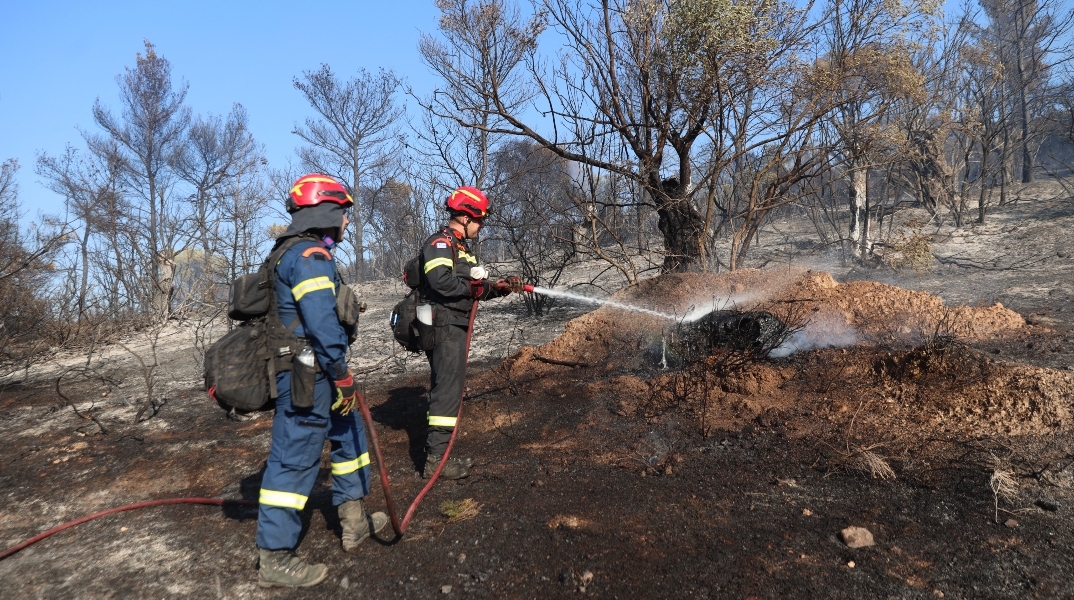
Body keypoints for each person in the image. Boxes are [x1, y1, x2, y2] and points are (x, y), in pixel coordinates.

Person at [254, 174, 387, 588]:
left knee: (349, 439)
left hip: (316, 374)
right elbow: (322, 323)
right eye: (343, 213)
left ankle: (354, 521)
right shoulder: (310, 255)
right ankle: (275, 558)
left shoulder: (291, 252)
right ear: (326, 211)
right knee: (294, 460)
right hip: (307, 377)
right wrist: (341, 372)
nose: (347, 222)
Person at [418, 186, 523, 480]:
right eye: (479, 220)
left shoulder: (462, 250)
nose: (482, 226)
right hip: (445, 325)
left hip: (455, 325)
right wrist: (475, 288)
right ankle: (436, 462)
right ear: (464, 217)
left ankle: (441, 455)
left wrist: (500, 288)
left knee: (449, 389)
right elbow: (441, 282)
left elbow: (474, 289)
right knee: (447, 390)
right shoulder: (440, 244)